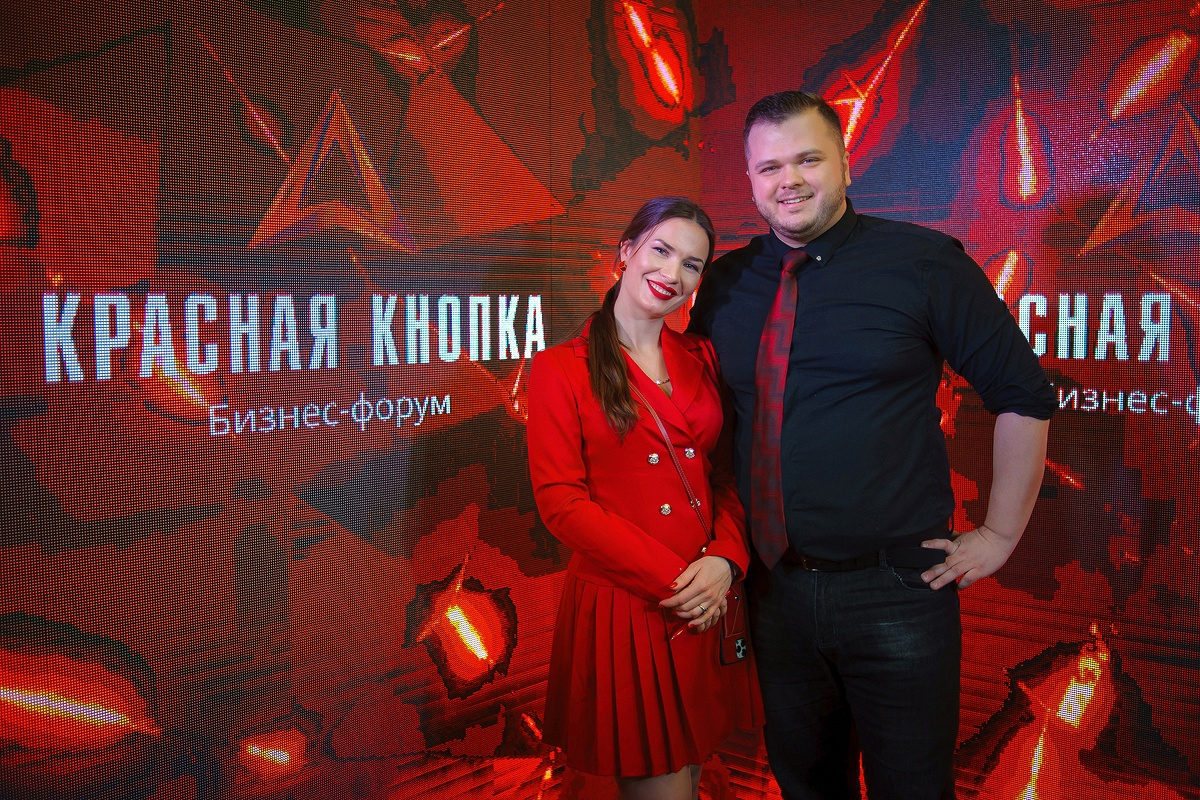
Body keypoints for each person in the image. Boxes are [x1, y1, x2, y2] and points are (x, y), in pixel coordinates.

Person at [686, 91, 1054, 800]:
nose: (789, 181)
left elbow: (1023, 394)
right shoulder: (725, 283)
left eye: (807, 160)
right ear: (750, 180)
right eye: (769, 167)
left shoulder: (923, 263)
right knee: (805, 787)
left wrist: (1001, 534)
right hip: (774, 594)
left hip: (898, 593)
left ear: (846, 164)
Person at [527, 197, 763, 800]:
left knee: (692, 771)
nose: (672, 273)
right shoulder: (560, 367)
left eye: (692, 264)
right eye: (661, 250)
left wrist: (726, 559)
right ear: (626, 252)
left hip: (708, 591)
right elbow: (560, 503)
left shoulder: (702, 357)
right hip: (635, 601)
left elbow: (727, 475)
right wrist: (678, 583)